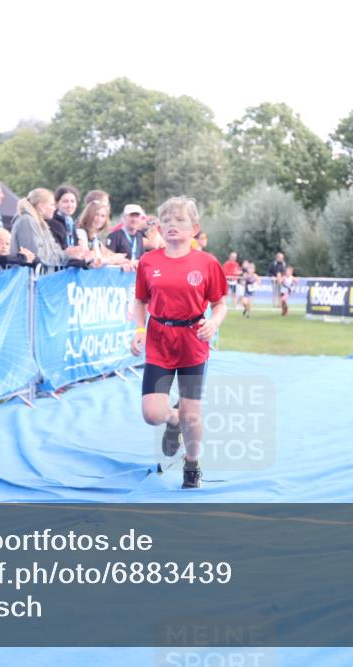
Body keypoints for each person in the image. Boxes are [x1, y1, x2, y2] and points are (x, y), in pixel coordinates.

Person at [130, 196, 227, 489]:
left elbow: (221, 303)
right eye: (167, 221)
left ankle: (192, 464)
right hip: (159, 339)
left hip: (192, 342)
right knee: (152, 414)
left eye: (180, 220)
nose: (173, 225)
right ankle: (173, 422)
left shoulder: (207, 263)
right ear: (159, 227)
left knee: (192, 414)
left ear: (194, 228)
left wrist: (213, 322)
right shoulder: (149, 261)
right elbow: (140, 300)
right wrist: (139, 330)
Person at [11, 188, 87, 267]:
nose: (54, 209)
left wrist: (68, 253)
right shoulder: (27, 221)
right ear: (41, 207)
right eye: (52, 205)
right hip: (29, 277)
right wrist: (66, 254)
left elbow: (53, 251)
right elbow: (35, 256)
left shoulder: (41, 223)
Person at [75, 200, 128, 268]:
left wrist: (124, 261)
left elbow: (102, 256)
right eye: (96, 214)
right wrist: (112, 260)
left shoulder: (94, 237)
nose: (99, 219)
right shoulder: (81, 232)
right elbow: (88, 258)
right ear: (89, 215)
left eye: (103, 216)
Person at [106, 204, 147, 269]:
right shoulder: (114, 236)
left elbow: (141, 258)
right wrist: (125, 262)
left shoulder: (139, 236)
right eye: (131, 216)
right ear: (124, 217)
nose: (134, 219)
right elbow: (109, 259)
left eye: (137, 216)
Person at [49, 184, 80, 249]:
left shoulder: (70, 222)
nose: (69, 205)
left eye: (72, 201)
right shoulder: (52, 223)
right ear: (56, 203)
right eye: (65, 201)